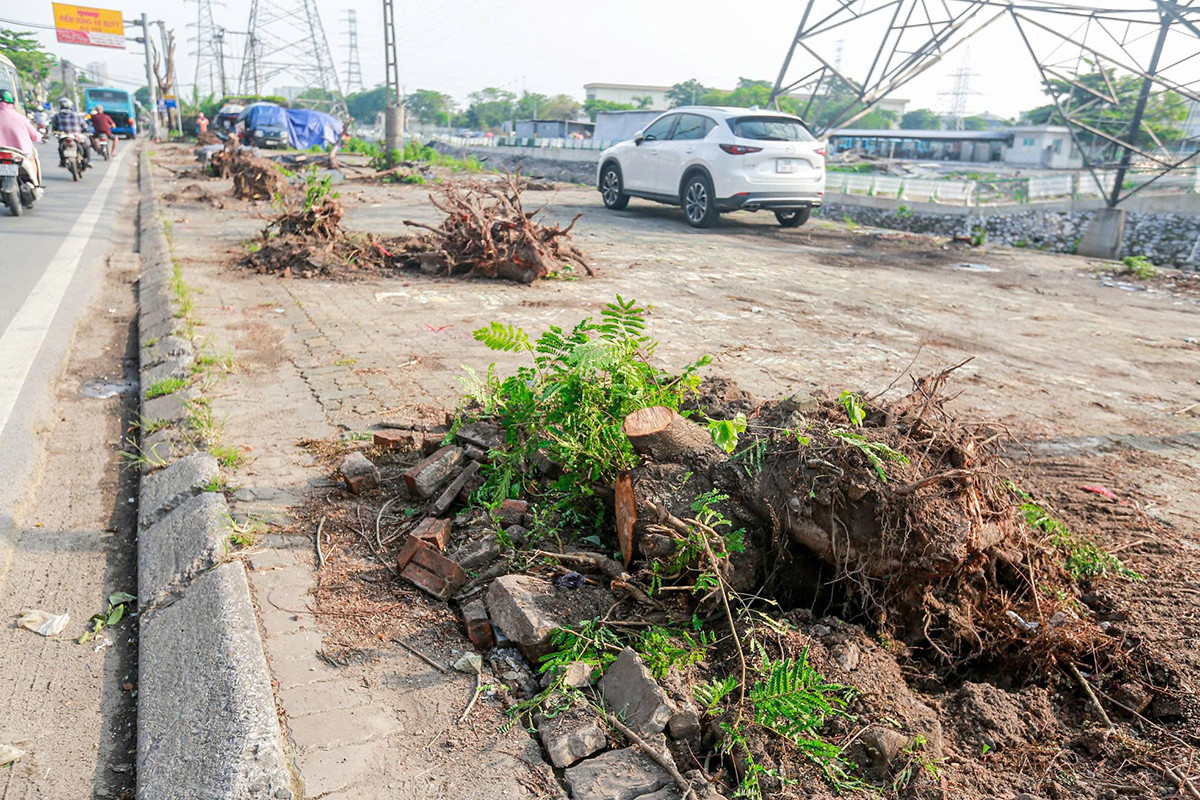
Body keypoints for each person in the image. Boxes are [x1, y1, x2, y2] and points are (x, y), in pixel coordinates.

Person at [0, 89, 43, 187]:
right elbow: (35, 136)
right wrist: (39, 137)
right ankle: (36, 185)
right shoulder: (20, 117)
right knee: (33, 157)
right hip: (20, 152)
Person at [51, 97, 90, 169]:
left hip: (63, 136)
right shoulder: (77, 115)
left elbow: (54, 127)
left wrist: (56, 132)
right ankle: (88, 161)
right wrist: (86, 131)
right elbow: (84, 126)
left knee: (60, 148)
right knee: (86, 147)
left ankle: (63, 161)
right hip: (76, 136)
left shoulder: (57, 116)